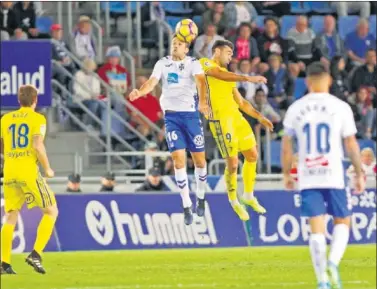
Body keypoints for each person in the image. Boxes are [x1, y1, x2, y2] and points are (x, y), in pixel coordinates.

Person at [281, 62, 365, 289]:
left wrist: (287, 173)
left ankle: (322, 281)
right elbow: (351, 144)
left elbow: (287, 146)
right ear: (328, 80)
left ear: (307, 81)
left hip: (309, 176)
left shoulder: (296, 109)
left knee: (315, 227)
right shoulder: (340, 107)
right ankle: (333, 262)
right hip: (334, 174)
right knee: (343, 221)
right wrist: (359, 173)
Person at [129, 36, 208, 225]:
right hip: (172, 118)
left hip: (190, 117)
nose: (175, 46)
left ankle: (201, 196)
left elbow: (201, 82)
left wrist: (203, 101)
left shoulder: (193, 63)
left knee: (200, 161)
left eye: (179, 44)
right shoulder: (162, 63)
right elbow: (151, 82)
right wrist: (140, 92)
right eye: (173, 43)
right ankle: (187, 204)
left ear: (186, 49)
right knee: (178, 161)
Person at [199, 40, 273, 221]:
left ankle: (248, 195)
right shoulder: (205, 64)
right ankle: (233, 200)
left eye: (232, 54)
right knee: (232, 163)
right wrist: (247, 78)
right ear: (216, 51)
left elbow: (241, 102)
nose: (230, 56)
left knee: (252, 155)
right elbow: (218, 75)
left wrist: (260, 117)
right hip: (220, 120)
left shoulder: (229, 75)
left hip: (236, 118)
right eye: (228, 52)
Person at [0, 85, 59, 275]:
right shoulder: (38, 118)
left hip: (9, 170)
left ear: (19, 101)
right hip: (28, 171)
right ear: (35, 100)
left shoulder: (6, 119)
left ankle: (4, 263)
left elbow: (2, 144)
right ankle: (36, 254)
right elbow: (37, 144)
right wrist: (48, 168)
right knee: (51, 211)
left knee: (10, 216)